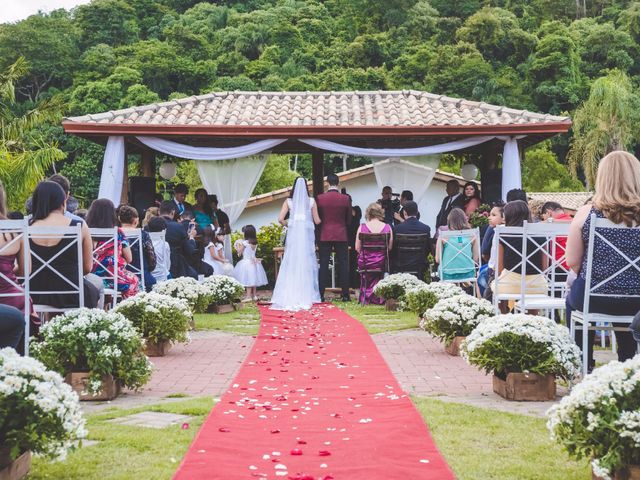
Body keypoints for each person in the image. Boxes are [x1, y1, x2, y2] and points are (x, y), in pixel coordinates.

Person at [566, 151, 640, 372]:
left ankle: (584, 363)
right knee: (625, 305)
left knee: (572, 300)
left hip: (594, 298)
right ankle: (627, 363)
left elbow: (572, 262)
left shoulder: (586, 214)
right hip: (637, 302)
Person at [28, 181, 99, 309]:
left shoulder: (26, 227)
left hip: (33, 292)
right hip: (70, 291)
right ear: (63, 200)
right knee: (92, 290)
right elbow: (87, 267)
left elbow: (23, 267)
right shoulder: (79, 225)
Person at [271, 177, 322, 310]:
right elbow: (317, 221)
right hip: (307, 241)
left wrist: (291, 223)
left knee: (292, 263)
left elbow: (280, 219)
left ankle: (289, 292)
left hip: (293, 239)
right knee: (307, 263)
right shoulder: (311, 201)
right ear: (306, 187)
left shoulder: (288, 202)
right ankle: (308, 293)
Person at [491, 200, 547, 313]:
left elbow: (500, 269)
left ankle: (504, 316)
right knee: (533, 288)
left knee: (496, 285)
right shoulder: (540, 234)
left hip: (510, 285)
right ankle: (533, 318)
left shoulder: (504, 234)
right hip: (537, 285)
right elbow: (545, 268)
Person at [87, 199, 139, 299]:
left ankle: (104, 305)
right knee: (134, 281)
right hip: (113, 279)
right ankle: (126, 309)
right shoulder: (117, 232)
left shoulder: (85, 231)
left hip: (89, 277)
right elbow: (129, 259)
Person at [316, 173, 352, 302]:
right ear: (338, 183)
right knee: (343, 264)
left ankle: (320, 295)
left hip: (325, 234)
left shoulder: (320, 198)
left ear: (327, 183)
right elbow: (349, 219)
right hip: (341, 234)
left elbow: (317, 219)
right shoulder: (345, 199)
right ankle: (346, 295)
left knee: (324, 264)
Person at [355, 203, 393, 305]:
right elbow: (389, 247)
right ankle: (379, 297)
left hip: (365, 262)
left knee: (364, 268)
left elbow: (357, 248)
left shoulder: (362, 227)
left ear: (368, 213)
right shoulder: (387, 227)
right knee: (380, 269)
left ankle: (366, 297)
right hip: (381, 263)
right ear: (380, 213)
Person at [118, 205, 157, 291]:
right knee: (152, 282)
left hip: (117, 276)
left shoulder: (114, 234)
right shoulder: (143, 234)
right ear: (136, 220)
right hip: (142, 277)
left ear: (119, 218)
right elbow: (152, 258)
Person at [159, 200, 198, 279]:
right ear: (173, 212)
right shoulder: (177, 226)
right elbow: (189, 250)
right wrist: (191, 237)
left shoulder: (148, 227)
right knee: (194, 274)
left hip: (155, 266)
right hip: (175, 266)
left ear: (159, 212)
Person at [436, 208, 477, 282]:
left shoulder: (443, 236)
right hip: (468, 273)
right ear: (465, 220)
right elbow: (475, 259)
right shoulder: (472, 236)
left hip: (447, 274)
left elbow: (438, 259)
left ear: (449, 221)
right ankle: (466, 284)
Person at [393, 201, 432, 279]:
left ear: (404, 212)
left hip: (401, 265)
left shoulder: (397, 229)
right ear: (417, 212)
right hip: (420, 265)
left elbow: (394, 249)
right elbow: (428, 249)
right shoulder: (425, 228)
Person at [234, 225, 268, 302]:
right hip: (254, 262)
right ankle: (254, 295)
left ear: (246, 233)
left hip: (246, 262)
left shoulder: (245, 242)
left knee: (248, 279)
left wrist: (236, 246)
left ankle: (248, 296)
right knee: (254, 279)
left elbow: (239, 251)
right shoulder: (255, 242)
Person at [147, 216, 171, 283]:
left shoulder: (146, 243)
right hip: (163, 276)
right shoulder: (165, 244)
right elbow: (168, 265)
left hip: (149, 275)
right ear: (164, 230)